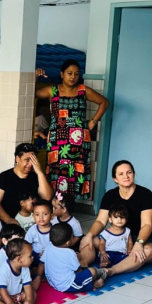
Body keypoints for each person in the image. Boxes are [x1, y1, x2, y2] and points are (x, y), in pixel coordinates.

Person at [35, 58, 109, 199]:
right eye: (69, 73)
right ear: (62, 74)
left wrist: (93, 121)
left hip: (79, 141)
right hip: (57, 141)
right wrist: (35, 76)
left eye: (76, 74)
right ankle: (55, 207)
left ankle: (70, 209)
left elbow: (104, 102)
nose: (73, 77)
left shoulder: (83, 90)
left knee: (76, 173)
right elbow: (29, 93)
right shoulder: (52, 90)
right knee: (57, 172)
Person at [79, 160, 152, 275]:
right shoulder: (110, 195)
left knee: (147, 251)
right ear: (115, 179)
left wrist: (139, 243)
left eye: (129, 172)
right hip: (117, 238)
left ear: (133, 174)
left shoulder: (145, 195)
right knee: (90, 240)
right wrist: (89, 235)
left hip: (145, 239)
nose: (126, 176)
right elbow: (100, 221)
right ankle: (82, 269)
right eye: (121, 174)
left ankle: (109, 271)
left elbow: (147, 225)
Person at [0, 142, 52, 226]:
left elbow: (47, 198)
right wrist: (8, 220)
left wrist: (40, 172)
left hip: (31, 223)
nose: (30, 164)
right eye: (27, 160)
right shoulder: (4, 177)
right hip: (8, 224)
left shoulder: (36, 177)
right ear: (17, 159)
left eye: (33, 160)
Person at [44, 222, 104, 293]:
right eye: (73, 236)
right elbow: (79, 270)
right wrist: (77, 259)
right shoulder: (70, 253)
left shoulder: (48, 247)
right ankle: (95, 284)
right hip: (68, 285)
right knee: (93, 271)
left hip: (53, 282)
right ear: (68, 242)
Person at [96, 202, 133, 267]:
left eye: (122, 217)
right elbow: (101, 244)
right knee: (105, 258)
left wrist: (129, 250)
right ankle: (105, 263)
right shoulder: (106, 232)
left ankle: (120, 265)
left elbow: (130, 242)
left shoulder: (127, 231)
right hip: (109, 252)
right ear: (110, 219)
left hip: (122, 253)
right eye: (116, 217)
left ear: (126, 219)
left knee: (128, 259)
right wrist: (102, 252)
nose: (119, 220)